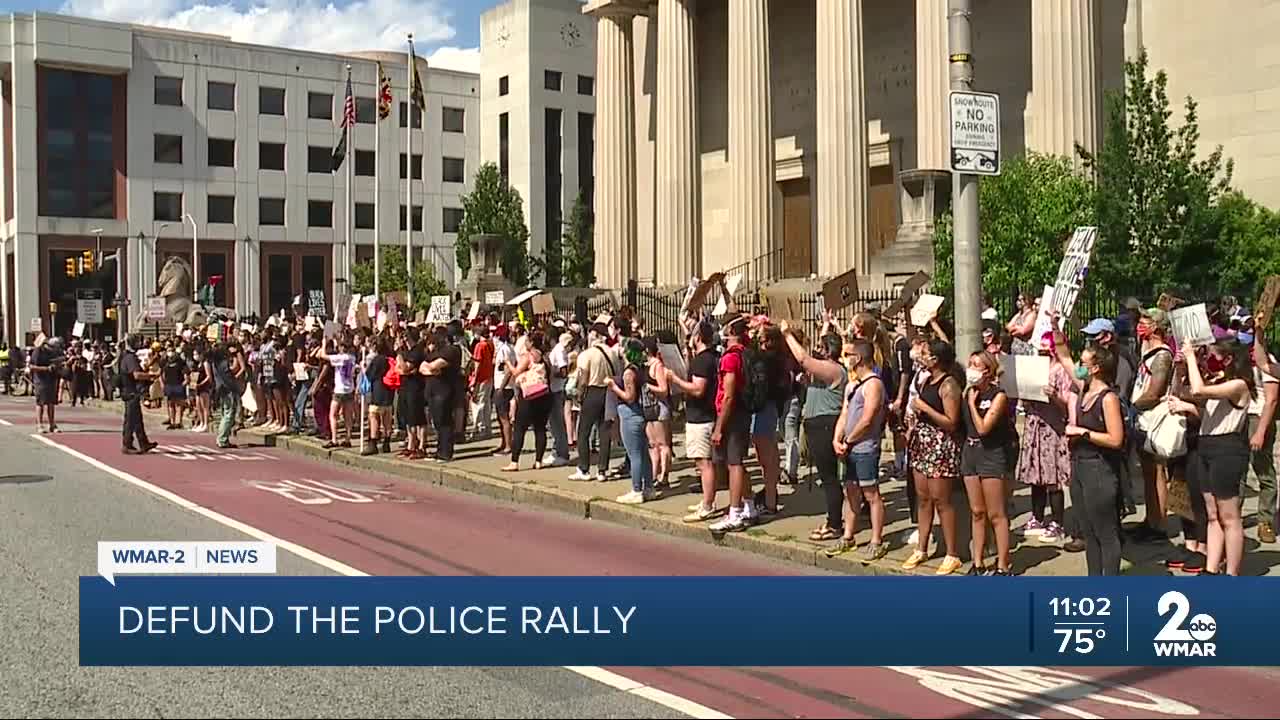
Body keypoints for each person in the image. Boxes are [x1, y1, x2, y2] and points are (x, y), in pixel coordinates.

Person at [1168, 339, 1253, 576]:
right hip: (1206, 445)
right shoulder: (1217, 381)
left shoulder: (1238, 385)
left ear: (1228, 359)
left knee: (1229, 515)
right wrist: (1182, 366)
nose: (1208, 361)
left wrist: (1192, 358)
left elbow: (1198, 390)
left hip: (1227, 449)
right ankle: (1211, 568)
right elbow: (1186, 392)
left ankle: (1232, 574)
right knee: (1213, 513)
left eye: (1213, 357)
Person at [1053, 328, 1127, 576]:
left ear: (1096, 368)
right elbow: (1063, 355)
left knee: (1105, 531)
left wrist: (1083, 432)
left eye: (1084, 363)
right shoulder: (1085, 388)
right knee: (1089, 530)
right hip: (1080, 467)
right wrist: (1055, 328)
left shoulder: (1107, 398)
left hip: (1099, 469)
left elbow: (1116, 439)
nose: (1079, 367)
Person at [904, 339, 963, 575]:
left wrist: (925, 409)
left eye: (926, 353)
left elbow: (951, 422)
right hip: (922, 443)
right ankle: (922, 547)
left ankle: (952, 553)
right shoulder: (926, 379)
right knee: (923, 498)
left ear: (936, 359)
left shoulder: (949, 385)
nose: (922, 356)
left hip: (940, 446)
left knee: (942, 500)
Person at [780, 325, 845, 541]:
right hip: (816, 424)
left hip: (826, 425)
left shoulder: (834, 369)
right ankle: (832, 520)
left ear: (828, 351)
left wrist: (788, 334)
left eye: (820, 346)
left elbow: (804, 359)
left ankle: (835, 524)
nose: (816, 349)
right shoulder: (824, 370)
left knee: (829, 478)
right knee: (827, 477)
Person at [830, 338, 888, 561]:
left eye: (848, 354)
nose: (845, 358)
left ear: (859, 357)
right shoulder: (852, 385)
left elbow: (868, 417)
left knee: (870, 493)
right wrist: (837, 438)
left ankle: (876, 540)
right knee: (850, 491)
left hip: (865, 447)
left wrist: (850, 440)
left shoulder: (874, 384)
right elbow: (845, 414)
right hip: (849, 448)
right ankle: (848, 535)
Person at [961, 350, 1014, 575]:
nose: (972, 369)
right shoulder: (968, 393)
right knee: (977, 511)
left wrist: (973, 405)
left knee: (996, 513)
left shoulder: (998, 395)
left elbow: (984, 428)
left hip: (991, 454)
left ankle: (1003, 564)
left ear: (988, 370)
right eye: (970, 364)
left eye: (977, 365)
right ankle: (978, 561)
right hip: (970, 453)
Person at [1018, 331, 1074, 544]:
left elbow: (1068, 405)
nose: (1042, 353)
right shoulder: (1034, 368)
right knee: (1035, 475)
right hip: (1035, 425)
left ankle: (1057, 522)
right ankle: (1037, 517)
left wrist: (1054, 396)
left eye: (1045, 350)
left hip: (1053, 428)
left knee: (1053, 477)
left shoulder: (1062, 371)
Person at [1082, 317, 1139, 517]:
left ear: (1107, 336)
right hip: (1101, 421)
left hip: (1113, 423)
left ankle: (1119, 510)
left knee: (1116, 473)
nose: (1090, 340)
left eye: (1094, 336)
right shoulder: (1105, 357)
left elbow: (1119, 394)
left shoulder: (1119, 360)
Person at [1130, 308, 1177, 543]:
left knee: (1157, 471)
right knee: (1148, 473)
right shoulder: (1147, 349)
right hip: (1143, 418)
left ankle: (1159, 524)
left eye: (1145, 321)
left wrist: (1131, 407)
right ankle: (1150, 519)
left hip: (1152, 418)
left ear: (1156, 326)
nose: (1140, 324)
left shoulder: (1163, 355)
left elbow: (1155, 391)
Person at [668, 320, 722, 522]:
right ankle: (707, 500)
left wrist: (676, 380)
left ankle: (708, 505)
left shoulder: (702, 361)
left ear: (698, 338)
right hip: (705, 415)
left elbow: (698, 389)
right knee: (703, 462)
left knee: (703, 462)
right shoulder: (710, 358)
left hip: (700, 418)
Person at [710, 316, 756, 532]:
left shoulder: (730, 358)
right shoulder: (745, 352)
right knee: (737, 462)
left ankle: (735, 512)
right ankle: (750, 504)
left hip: (732, 415)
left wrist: (719, 427)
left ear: (729, 330)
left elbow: (728, 395)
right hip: (741, 413)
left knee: (733, 464)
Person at [606, 338, 656, 503]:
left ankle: (636, 489)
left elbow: (629, 396)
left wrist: (614, 387)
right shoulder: (641, 369)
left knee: (634, 454)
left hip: (630, 414)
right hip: (639, 414)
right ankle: (649, 487)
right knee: (643, 452)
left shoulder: (629, 372)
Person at [569, 322, 618, 481]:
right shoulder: (612, 352)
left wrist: (579, 395)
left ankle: (584, 468)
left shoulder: (587, 354)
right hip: (608, 392)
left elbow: (583, 378)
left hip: (592, 391)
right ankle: (602, 470)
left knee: (583, 432)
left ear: (594, 334)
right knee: (605, 432)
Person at [503, 330, 554, 472]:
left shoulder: (528, 356)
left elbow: (516, 372)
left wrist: (508, 362)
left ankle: (514, 461)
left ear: (531, 343)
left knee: (520, 428)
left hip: (529, 396)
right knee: (540, 428)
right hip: (544, 396)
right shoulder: (545, 357)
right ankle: (538, 460)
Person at [1252, 327, 1280, 544]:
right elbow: (1262, 363)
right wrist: (1258, 335)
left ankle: (1266, 521)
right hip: (1241, 420)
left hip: (1258, 420)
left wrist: (1260, 431)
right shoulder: (1240, 358)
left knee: (1264, 472)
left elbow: (1271, 400)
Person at [118, 335, 159, 454]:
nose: (140, 344)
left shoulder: (126, 356)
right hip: (130, 391)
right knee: (130, 419)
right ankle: (127, 444)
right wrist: (151, 376)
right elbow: (136, 375)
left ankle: (143, 442)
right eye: (138, 342)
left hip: (130, 391)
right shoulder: (130, 358)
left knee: (137, 419)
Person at [642, 336, 673, 489]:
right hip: (649, 408)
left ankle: (664, 476)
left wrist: (649, 386)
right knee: (653, 444)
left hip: (660, 407)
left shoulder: (657, 365)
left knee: (663, 443)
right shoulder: (646, 365)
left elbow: (663, 389)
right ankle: (654, 475)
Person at [320, 337, 357, 449]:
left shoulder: (339, 358)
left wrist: (324, 344)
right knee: (348, 415)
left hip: (339, 389)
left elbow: (323, 355)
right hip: (349, 388)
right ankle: (348, 437)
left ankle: (334, 439)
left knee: (333, 414)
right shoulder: (352, 358)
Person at [396, 332, 428, 460]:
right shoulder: (406, 352)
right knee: (408, 417)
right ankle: (411, 444)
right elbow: (398, 369)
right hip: (405, 387)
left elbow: (404, 368)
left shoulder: (416, 352)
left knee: (418, 417)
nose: (403, 340)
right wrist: (404, 369)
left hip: (416, 388)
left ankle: (422, 445)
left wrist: (400, 357)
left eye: (405, 337)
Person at [545, 329, 573, 467]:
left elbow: (563, 372)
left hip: (557, 390)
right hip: (552, 389)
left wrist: (548, 371)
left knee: (558, 424)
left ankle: (563, 453)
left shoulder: (559, 350)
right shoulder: (555, 350)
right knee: (553, 425)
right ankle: (556, 451)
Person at [212, 340, 247, 449]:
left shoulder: (215, 363)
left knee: (224, 413)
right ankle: (222, 439)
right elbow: (232, 370)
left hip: (221, 389)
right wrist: (236, 359)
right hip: (227, 389)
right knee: (229, 414)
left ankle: (221, 438)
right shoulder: (223, 363)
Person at [362, 336, 394, 456]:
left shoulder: (377, 360)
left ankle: (373, 442)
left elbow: (369, 375)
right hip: (389, 390)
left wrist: (364, 367)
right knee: (387, 416)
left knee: (374, 415)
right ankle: (387, 442)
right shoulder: (390, 358)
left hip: (378, 390)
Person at [28, 335, 62, 433]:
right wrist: (46, 369)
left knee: (51, 403)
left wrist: (57, 365)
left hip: (51, 379)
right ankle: (40, 424)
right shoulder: (37, 352)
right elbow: (32, 366)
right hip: (40, 380)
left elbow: (58, 361)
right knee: (41, 402)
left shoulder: (54, 352)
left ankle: (52, 424)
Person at [469, 324, 495, 442]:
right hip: (489, 376)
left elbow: (477, 363)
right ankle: (487, 428)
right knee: (486, 403)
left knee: (477, 403)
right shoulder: (490, 344)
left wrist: (474, 378)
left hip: (481, 377)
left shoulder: (480, 346)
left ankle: (479, 428)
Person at [161, 342, 189, 429]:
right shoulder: (165, 362)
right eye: (168, 351)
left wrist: (184, 383)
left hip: (178, 384)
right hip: (169, 385)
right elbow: (162, 374)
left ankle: (179, 422)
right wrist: (163, 384)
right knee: (170, 403)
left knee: (179, 404)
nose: (170, 352)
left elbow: (185, 374)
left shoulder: (180, 362)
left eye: (172, 350)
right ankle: (172, 422)